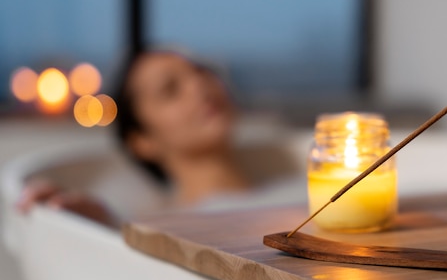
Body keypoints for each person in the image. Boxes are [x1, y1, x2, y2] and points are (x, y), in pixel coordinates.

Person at [16, 49, 299, 227]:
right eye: (170, 90)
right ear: (143, 141)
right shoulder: (160, 227)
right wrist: (87, 224)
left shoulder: (297, 187)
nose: (199, 86)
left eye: (201, 72)